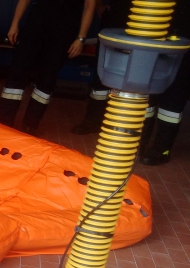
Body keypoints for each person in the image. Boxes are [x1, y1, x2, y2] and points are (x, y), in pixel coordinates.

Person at [0, 0, 96, 134]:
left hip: (64, 30)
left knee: (47, 79)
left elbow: (90, 6)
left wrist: (81, 39)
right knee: (17, 72)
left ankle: (30, 125)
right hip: (37, 23)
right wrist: (14, 24)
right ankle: (4, 121)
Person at [71, 0, 135, 135]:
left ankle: (120, 125)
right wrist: (99, 4)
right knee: (101, 74)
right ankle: (92, 121)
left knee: (130, 77)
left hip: (138, 25)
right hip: (113, 21)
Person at [140, 4, 190, 166]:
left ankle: (161, 149)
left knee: (172, 104)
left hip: (186, 47)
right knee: (147, 98)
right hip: (157, 41)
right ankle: (138, 143)